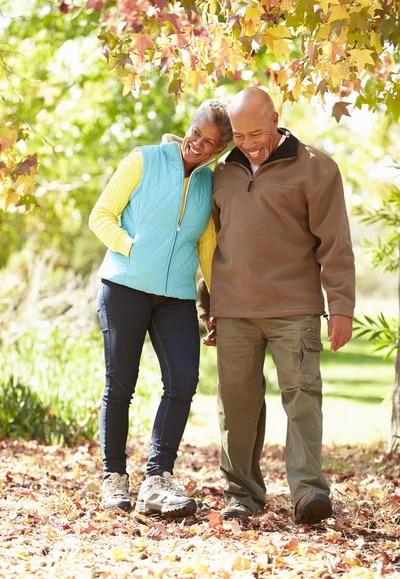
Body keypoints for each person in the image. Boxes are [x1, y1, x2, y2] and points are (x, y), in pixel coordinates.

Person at [197, 87, 355, 525]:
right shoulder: (220, 173)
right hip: (233, 310)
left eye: (258, 132)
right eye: (241, 136)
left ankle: (308, 493)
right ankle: (242, 494)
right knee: (237, 404)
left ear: (276, 118)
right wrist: (205, 307)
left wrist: (341, 306)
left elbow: (336, 243)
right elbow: (208, 245)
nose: (250, 143)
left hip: (294, 308)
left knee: (302, 398)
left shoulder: (316, 167)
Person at [89, 99, 232, 516]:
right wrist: (133, 247)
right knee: (120, 384)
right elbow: (102, 216)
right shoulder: (143, 160)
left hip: (176, 298)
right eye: (195, 134)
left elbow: (207, 246)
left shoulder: (208, 183)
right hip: (124, 286)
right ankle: (113, 478)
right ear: (187, 127)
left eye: (209, 143)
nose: (197, 145)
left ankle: (157, 479)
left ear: (219, 150)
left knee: (184, 379)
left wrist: (217, 304)